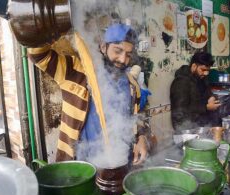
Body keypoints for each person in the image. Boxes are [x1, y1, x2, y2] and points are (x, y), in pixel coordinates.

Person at [28, 23, 150, 164]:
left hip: (121, 161)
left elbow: (138, 114)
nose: (123, 59)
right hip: (82, 166)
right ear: (104, 47)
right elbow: (37, 55)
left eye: (128, 54)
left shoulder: (131, 85)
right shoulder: (75, 72)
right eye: (118, 51)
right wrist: (59, 23)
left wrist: (142, 137)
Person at [170, 52, 221, 131]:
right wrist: (206, 107)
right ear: (194, 66)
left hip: (200, 125)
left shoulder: (201, 79)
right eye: (203, 70)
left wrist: (212, 97)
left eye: (207, 70)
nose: (206, 73)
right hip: (186, 128)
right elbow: (180, 111)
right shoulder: (181, 82)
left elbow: (208, 93)